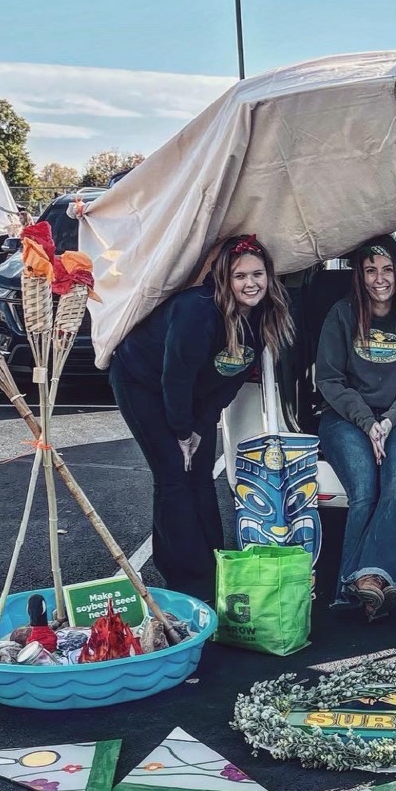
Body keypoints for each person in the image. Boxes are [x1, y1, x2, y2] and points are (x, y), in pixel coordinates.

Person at [109, 234, 294, 602]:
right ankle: (186, 580)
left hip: (194, 393)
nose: (251, 284)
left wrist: (201, 425)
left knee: (201, 476)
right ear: (225, 278)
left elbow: (233, 377)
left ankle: (212, 565)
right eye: (240, 276)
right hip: (142, 382)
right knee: (173, 475)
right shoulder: (198, 311)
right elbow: (175, 378)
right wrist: (182, 432)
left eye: (257, 274)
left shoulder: (262, 315)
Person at [315, 235, 396, 619]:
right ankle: (374, 586)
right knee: (365, 489)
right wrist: (367, 422)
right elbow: (329, 380)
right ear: (360, 275)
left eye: (387, 270)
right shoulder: (342, 314)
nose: (379, 279)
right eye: (370, 270)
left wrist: (389, 419)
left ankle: (362, 584)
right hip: (345, 416)